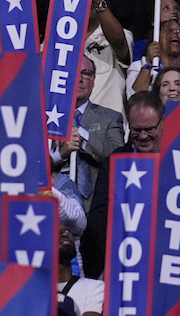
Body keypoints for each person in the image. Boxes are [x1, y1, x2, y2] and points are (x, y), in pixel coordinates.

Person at [82, 91, 165, 278]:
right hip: (123, 261)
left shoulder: (179, 159)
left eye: (150, 128)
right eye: (137, 129)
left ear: (163, 121)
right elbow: (99, 219)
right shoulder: (115, 162)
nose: (143, 136)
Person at [50, 56, 125, 209]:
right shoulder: (45, 117)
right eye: (74, 73)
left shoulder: (110, 117)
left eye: (86, 73)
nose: (79, 79)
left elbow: (116, 157)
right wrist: (61, 154)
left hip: (95, 205)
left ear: (93, 79)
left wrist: (82, 135)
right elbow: (32, 163)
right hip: (54, 203)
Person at [57, 226, 104, 316]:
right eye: (55, 230)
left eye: (68, 230)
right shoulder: (34, 288)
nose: (65, 232)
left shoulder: (94, 287)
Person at [126, 0, 180, 96]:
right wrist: (148, 65)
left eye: (179, 31)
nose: (175, 32)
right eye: (168, 30)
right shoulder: (140, 66)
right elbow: (134, 98)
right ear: (158, 38)